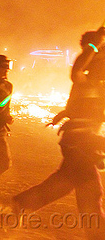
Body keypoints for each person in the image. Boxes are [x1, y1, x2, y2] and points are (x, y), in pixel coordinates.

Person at [13, 29, 105, 240]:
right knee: (91, 194)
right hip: (79, 143)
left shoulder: (98, 85)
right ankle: (97, 234)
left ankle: (18, 206)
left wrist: (65, 113)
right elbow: (77, 71)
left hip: (83, 143)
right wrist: (95, 44)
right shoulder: (86, 79)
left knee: (63, 185)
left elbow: (85, 108)